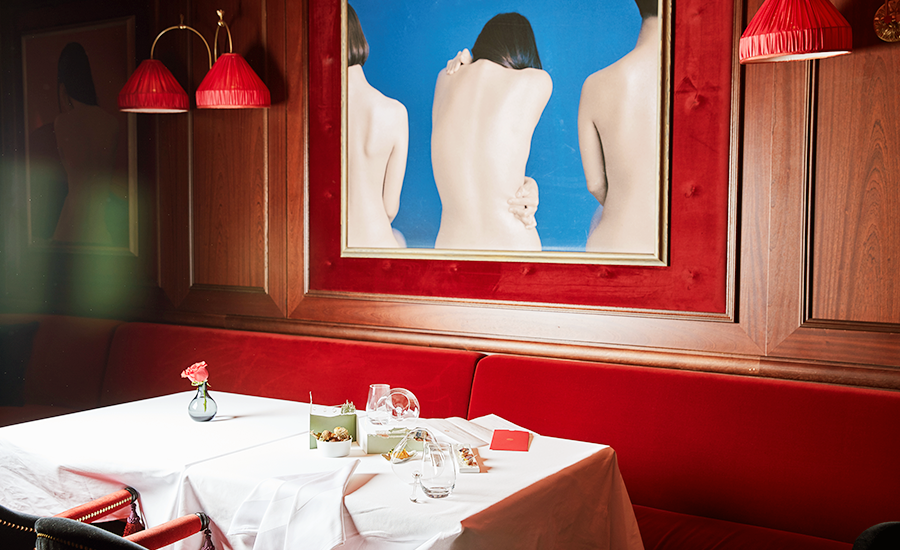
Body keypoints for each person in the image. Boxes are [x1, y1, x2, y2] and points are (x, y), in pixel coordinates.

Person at [431, 13, 551, 251]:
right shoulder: (538, 81)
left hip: (451, 246)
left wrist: (467, 60)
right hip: (513, 243)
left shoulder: (444, 78)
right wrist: (530, 184)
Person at [578, 0, 660, 254]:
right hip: (667, 245)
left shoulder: (595, 83)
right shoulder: (695, 83)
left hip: (611, 241)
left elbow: (595, 185)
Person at [346, 4, 409, 248]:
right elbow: (390, 208)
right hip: (379, 246)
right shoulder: (395, 111)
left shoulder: (316, 111)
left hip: (332, 250)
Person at [52, 42, 120, 246]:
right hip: (99, 228)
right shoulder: (111, 123)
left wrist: (64, 98)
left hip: (69, 226)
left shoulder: (62, 123)